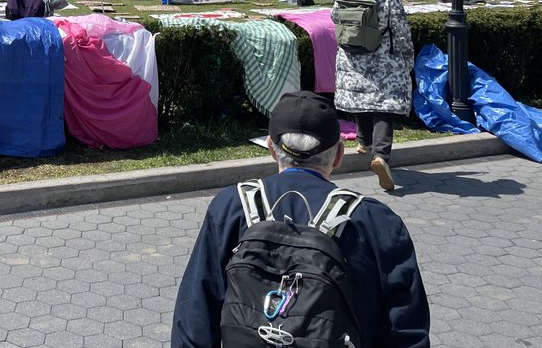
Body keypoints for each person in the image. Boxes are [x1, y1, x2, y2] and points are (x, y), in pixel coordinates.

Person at [171, 90, 429, 346]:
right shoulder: (377, 222)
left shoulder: (230, 207)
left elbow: (195, 314)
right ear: (338, 155)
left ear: (271, 148)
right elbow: (406, 331)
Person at [335, 0, 413, 192]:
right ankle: (380, 156)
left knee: (361, 99)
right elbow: (401, 33)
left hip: (352, 58)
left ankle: (363, 142)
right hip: (383, 61)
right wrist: (408, 60)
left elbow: (334, 20)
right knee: (383, 107)